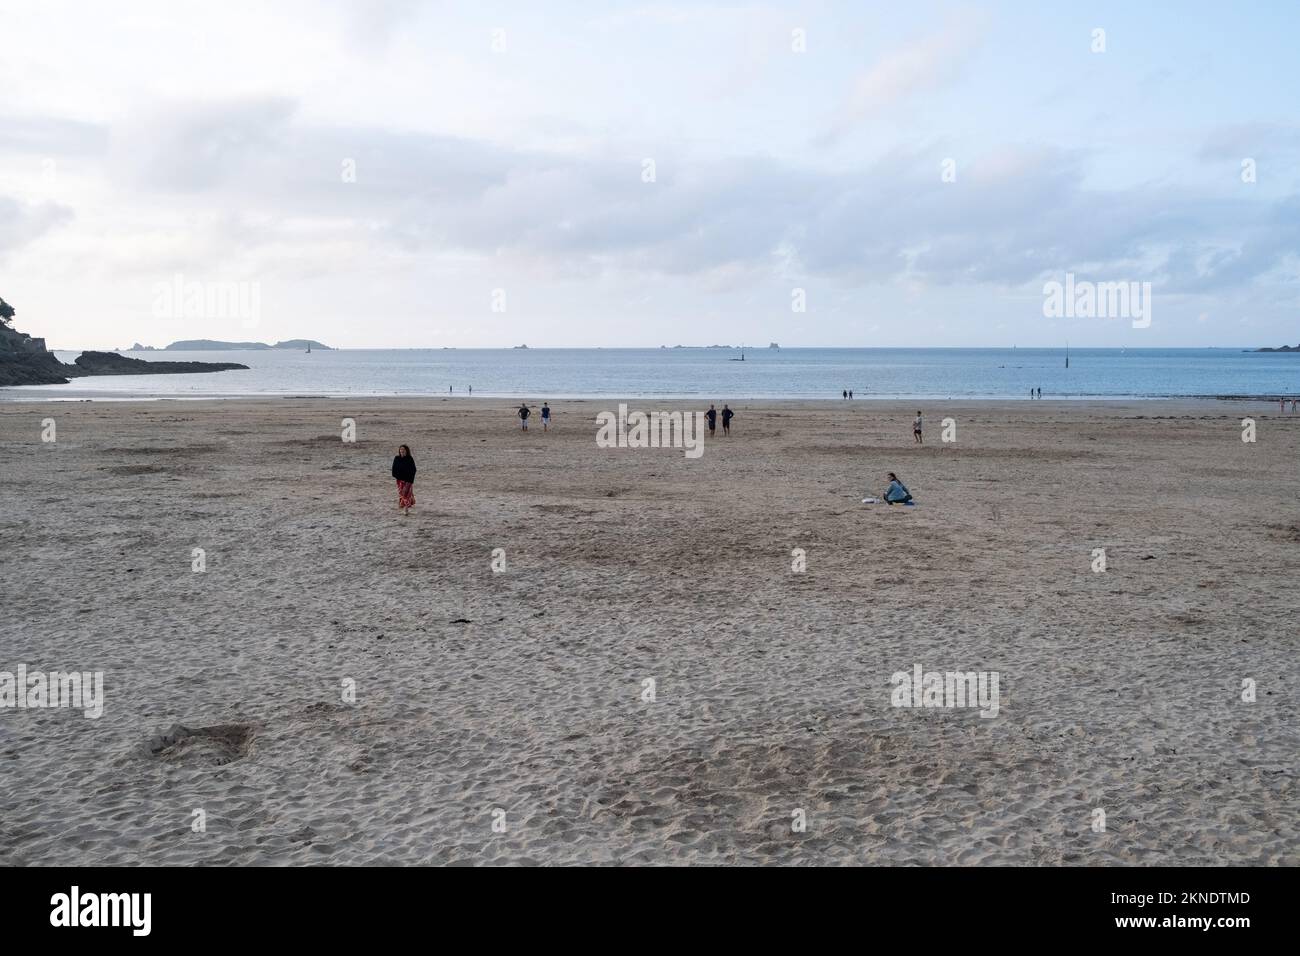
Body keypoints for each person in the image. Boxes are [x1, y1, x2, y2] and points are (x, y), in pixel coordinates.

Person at [392, 445, 416, 516]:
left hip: (408, 480)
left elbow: (413, 470)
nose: (402, 451)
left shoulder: (410, 459)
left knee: (406, 494)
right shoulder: (396, 458)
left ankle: (406, 509)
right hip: (399, 480)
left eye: (403, 449)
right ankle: (402, 504)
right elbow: (394, 469)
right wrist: (397, 476)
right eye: (401, 449)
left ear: (406, 451)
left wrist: (410, 481)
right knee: (401, 494)